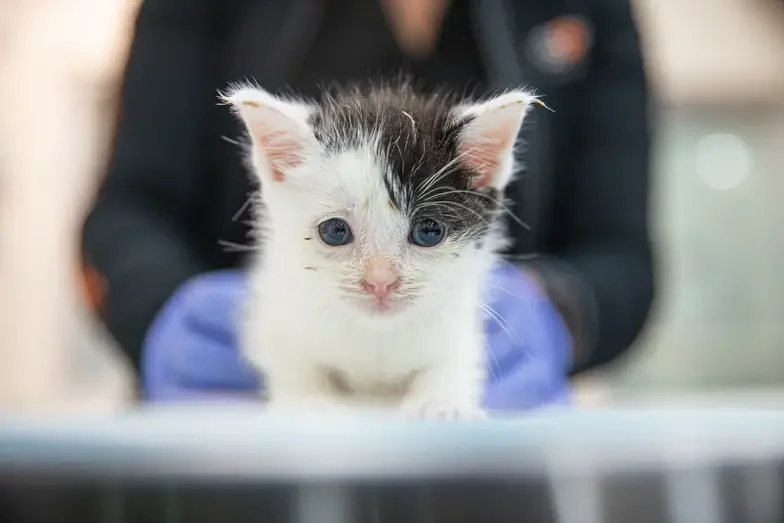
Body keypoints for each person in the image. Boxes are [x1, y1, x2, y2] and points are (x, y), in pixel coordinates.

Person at [83, 0, 654, 406]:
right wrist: (160, 316)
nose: (379, 279)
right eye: (337, 233)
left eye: (427, 232)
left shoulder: (590, 9)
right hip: (231, 433)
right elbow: (127, 211)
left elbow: (624, 257)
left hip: (487, 452)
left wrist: (561, 310)